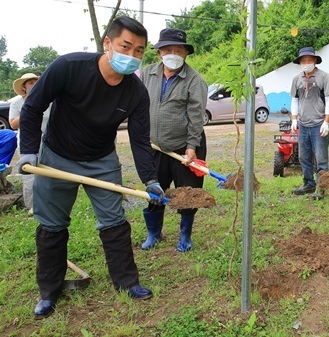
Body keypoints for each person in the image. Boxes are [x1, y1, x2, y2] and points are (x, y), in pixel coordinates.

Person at [17, 16, 165, 320]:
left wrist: (150, 179)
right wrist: (30, 152)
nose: (132, 55)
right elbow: (33, 107)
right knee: (52, 226)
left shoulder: (136, 92)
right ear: (107, 44)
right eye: (126, 46)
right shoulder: (69, 67)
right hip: (57, 156)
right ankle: (49, 291)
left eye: (139, 51)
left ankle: (127, 282)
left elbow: (139, 140)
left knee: (114, 221)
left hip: (102, 161)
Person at [139, 28, 208, 252]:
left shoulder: (195, 80)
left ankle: (185, 236)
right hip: (154, 147)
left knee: (187, 194)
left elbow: (196, 117)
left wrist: (191, 147)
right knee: (155, 192)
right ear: (159, 53)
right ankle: (154, 233)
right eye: (168, 50)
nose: (173, 54)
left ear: (186, 54)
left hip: (184, 149)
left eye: (179, 50)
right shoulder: (147, 74)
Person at [290, 47, 329, 200]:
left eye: (309, 60)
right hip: (303, 124)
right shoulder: (297, 79)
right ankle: (308, 183)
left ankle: (321, 187)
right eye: (303, 61)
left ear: (315, 61)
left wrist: (326, 122)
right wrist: (294, 119)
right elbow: (295, 100)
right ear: (300, 62)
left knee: (321, 158)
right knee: (303, 157)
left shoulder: (324, 77)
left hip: (319, 124)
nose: (306, 63)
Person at [9, 72, 51, 210]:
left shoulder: (46, 100)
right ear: (23, 87)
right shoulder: (17, 102)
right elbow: (13, 124)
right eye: (30, 83)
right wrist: (29, 111)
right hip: (27, 143)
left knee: (48, 172)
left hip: (47, 140)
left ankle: (48, 204)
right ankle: (31, 207)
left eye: (35, 82)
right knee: (30, 175)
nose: (34, 85)